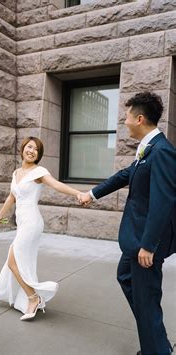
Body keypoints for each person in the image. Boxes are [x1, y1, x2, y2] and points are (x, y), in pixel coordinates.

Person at [78, 92, 175, 355]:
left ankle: (157, 348)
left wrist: (149, 245)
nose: (125, 121)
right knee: (125, 277)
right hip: (134, 239)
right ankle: (154, 333)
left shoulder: (163, 152)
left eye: (127, 116)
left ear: (140, 118)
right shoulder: (148, 149)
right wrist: (92, 194)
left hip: (145, 243)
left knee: (147, 299)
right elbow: (125, 175)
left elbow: (163, 202)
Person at [0, 137, 82, 320]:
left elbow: (56, 185)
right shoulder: (16, 173)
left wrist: (78, 193)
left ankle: (33, 298)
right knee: (22, 261)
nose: (32, 151)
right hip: (22, 223)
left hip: (32, 222)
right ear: (23, 148)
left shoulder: (39, 172)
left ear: (39, 155)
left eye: (36, 150)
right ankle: (31, 298)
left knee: (12, 261)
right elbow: (12, 197)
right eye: (29, 147)